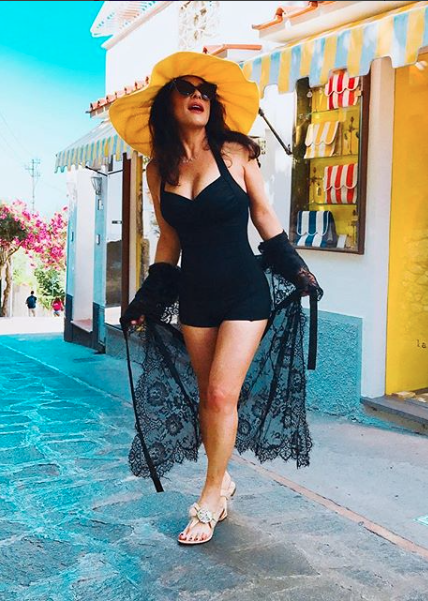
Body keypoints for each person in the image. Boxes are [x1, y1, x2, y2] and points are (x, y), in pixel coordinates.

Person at [110, 52, 321, 546]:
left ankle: (209, 500)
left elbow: (264, 215)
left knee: (223, 394)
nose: (198, 96)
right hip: (196, 296)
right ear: (168, 103)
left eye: (204, 91)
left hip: (245, 291)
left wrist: (296, 267)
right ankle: (222, 478)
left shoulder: (235, 152)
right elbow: (169, 240)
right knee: (209, 398)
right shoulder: (157, 170)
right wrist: (146, 298)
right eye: (186, 89)